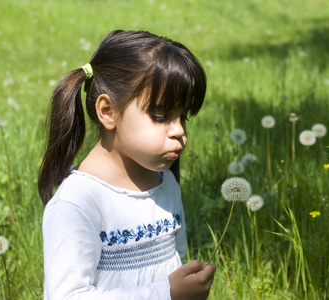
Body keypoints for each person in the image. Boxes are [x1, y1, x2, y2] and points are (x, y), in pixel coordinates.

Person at [38, 30, 216, 299]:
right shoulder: (77, 204)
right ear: (108, 112)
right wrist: (166, 293)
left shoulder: (164, 182)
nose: (178, 130)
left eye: (183, 117)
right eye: (160, 116)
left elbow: (175, 259)